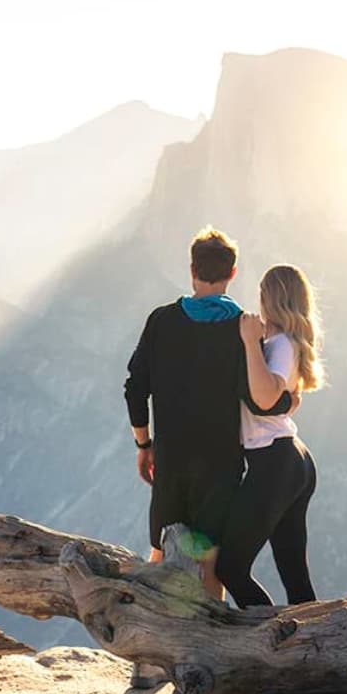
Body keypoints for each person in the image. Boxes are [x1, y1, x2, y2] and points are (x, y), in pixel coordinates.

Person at [123, 226, 293, 593]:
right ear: (233, 273)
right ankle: (208, 645)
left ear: (192, 269)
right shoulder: (243, 329)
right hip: (219, 468)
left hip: (170, 462)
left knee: (160, 552)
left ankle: (143, 638)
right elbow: (255, 399)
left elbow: (135, 388)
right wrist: (288, 400)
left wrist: (144, 445)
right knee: (209, 566)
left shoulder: (162, 321)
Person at [214, 265, 326, 607]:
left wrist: (249, 342)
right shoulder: (286, 343)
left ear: (271, 299)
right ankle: (312, 649)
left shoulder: (280, 345)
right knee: (294, 573)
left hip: (274, 463)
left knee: (231, 568)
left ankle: (271, 641)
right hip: (292, 459)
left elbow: (263, 398)